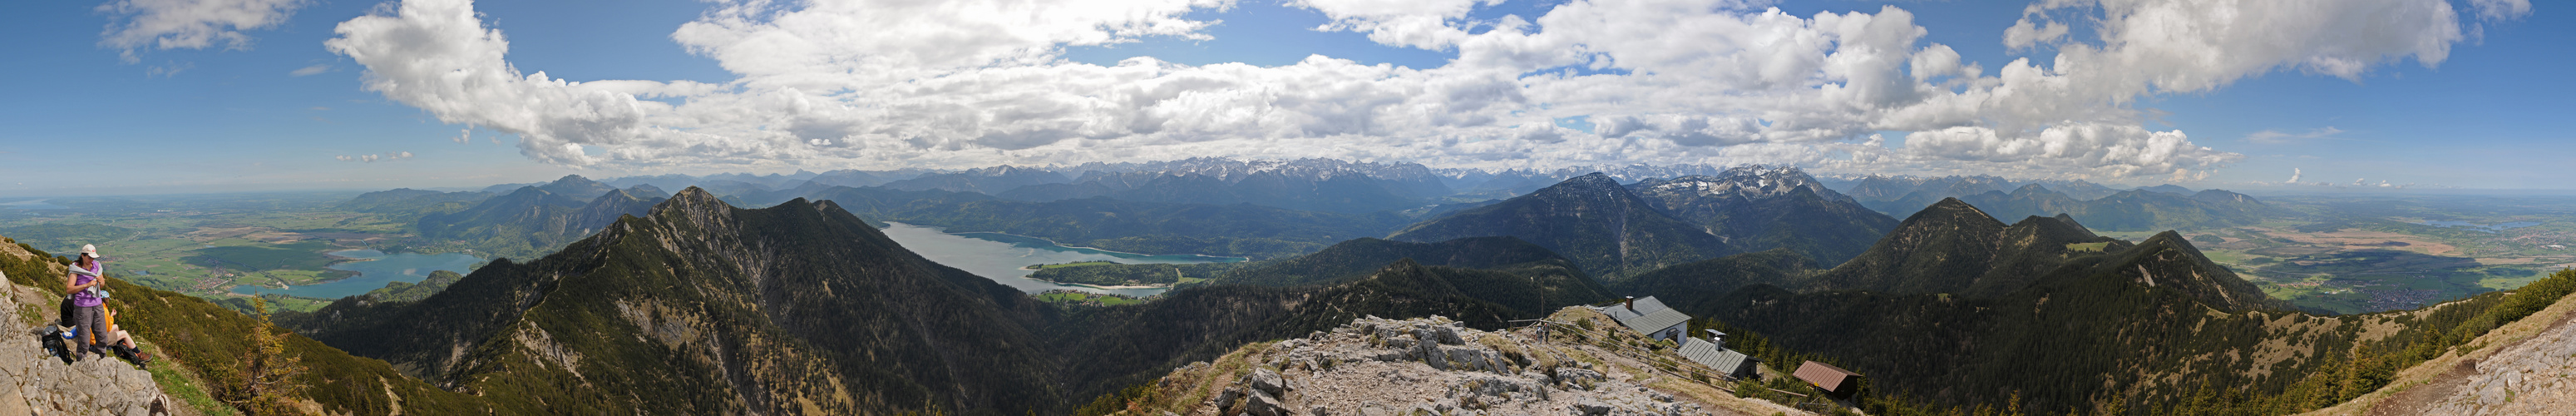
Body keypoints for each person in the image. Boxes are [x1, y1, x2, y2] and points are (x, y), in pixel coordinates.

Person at [62, 244, 107, 360]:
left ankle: (102, 360)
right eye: (89, 257)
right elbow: (69, 289)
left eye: (93, 257)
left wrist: (101, 281)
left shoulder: (97, 266)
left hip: (97, 304)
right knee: (84, 338)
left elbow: (101, 285)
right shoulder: (75, 270)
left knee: (102, 335)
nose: (92, 260)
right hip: (82, 307)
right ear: (82, 256)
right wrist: (87, 285)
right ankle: (82, 362)